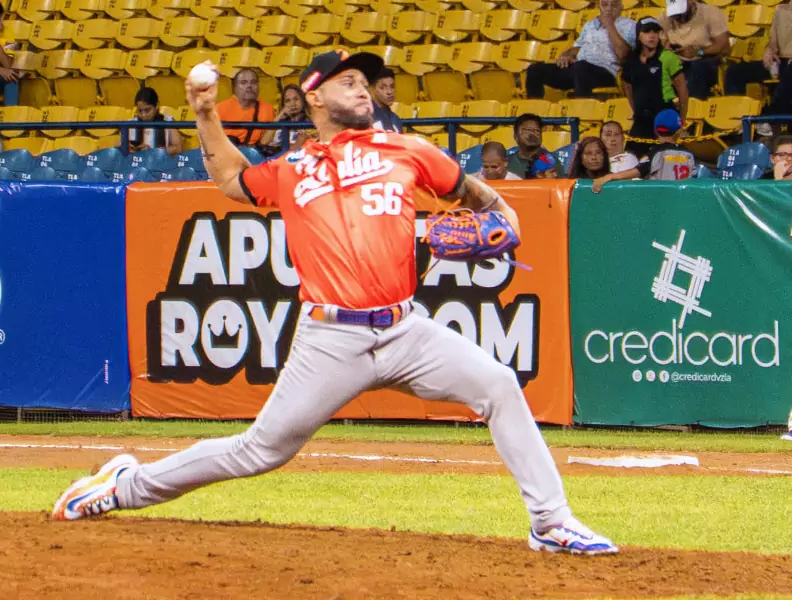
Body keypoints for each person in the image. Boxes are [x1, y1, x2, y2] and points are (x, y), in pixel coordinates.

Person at [52, 50, 620, 556]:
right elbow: (231, 179)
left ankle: (550, 521)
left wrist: (505, 217)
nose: (362, 89)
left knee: (498, 385)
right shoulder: (294, 167)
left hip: (406, 330)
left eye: (366, 82)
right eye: (349, 80)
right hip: (331, 337)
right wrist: (205, 114)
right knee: (260, 450)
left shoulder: (409, 150)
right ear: (316, 95)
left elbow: (478, 198)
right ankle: (122, 486)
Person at [526, 0, 635, 99]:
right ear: (599, 6)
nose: (609, 9)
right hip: (578, 69)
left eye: (614, 5)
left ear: (621, 7)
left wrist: (610, 25)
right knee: (535, 69)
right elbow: (577, 48)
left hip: (606, 72)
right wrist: (567, 55)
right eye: (605, 4)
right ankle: (533, 111)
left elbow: (624, 54)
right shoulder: (590, 25)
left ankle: (581, 110)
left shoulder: (629, 25)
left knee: (581, 67)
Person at [723, 0, 792, 138]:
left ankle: (769, 116)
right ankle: (738, 119)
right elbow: (773, 41)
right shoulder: (781, 10)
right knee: (735, 72)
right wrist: (770, 50)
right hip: (781, 60)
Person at [622, 17, 688, 158]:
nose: (652, 36)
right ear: (639, 34)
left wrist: (681, 120)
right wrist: (638, 110)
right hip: (641, 118)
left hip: (664, 114)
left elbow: (682, 90)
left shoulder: (668, 57)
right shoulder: (631, 60)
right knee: (631, 157)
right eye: (647, 31)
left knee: (664, 158)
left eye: (656, 32)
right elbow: (628, 87)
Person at [592, 108, 696, 191]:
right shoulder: (688, 154)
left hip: (661, 200)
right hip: (682, 200)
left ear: (655, 131)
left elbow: (637, 171)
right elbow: (694, 181)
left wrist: (610, 177)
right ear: (679, 131)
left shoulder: (656, 152)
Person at [659, 0, 729, 100]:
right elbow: (660, 42)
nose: (679, 17)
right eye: (675, 14)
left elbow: (723, 46)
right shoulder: (665, 18)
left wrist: (699, 52)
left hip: (706, 58)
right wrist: (667, 47)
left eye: (681, 12)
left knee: (698, 68)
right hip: (679, 59)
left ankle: (692, 105)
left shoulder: (709, 12)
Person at [216, 68, 275, 146]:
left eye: (253, 82)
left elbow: (269, 142)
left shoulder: (268, 109)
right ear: (235, 88)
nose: (249, 86)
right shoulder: (219, 109)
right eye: (243, 82)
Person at [259, 84, 312, 155]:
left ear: (302, 100)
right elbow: (264, 142)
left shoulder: (308, 122)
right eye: (288, 100)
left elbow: (293, 148)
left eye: (296, 99)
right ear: (283, 104)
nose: (292, 104)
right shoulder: (280, 120)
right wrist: (279, 116)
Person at [128, 87, 182, 157]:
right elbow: (119, 148)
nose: (143, 115)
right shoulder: (131, 124)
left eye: (147, 110)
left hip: (162, 165)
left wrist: (153, 151)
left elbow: (178, 148)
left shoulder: (168, 122)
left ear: (156, 106)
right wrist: (130, 149)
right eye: (139, 111)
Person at [507, 113, 565, 178]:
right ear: (515, 136)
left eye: (536, 130)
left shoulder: (551, 162)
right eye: (527, 130)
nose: (532, 133)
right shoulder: (507, 163)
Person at [371, 67, 403, 132]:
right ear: (373, 89)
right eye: (382, 87)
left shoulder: (395, 118)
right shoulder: (365, 118)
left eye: (392, 86)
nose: (389, 92)